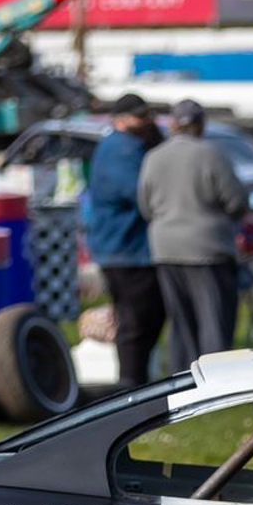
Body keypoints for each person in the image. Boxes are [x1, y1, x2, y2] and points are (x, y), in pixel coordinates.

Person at [137, 98, 251, 369]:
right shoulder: (210, 154)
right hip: (208, 247)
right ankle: (216, 378)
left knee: (180, 322)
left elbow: (145, 205)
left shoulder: (153, 156)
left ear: (173, 125)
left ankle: (182, 379)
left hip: (166, 247)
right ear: (200, 125)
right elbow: (236, 201)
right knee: (214, 321)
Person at [86, 93, 166, 389]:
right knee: (137, 321)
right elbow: (141, 194)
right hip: (127, 250)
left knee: (141, 318)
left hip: (122, 248)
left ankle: (135, 381)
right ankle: (131, 385)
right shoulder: (122, 149)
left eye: (148, 115)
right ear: (120, 119)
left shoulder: (122, 146)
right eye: (140, 116)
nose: (146, 121)